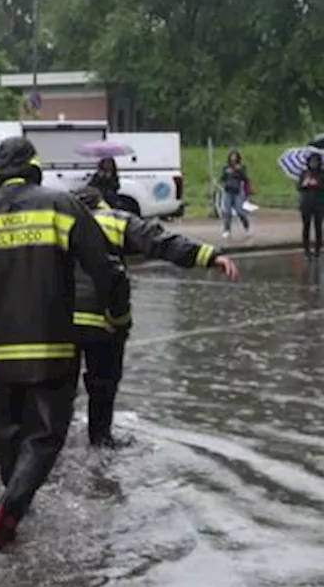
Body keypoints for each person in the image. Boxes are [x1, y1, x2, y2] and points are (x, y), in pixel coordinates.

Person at [0, 137, 129, 551]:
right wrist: (117, 318)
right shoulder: (63, 206)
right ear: (36, 167)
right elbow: (106, 269)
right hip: (53, 346)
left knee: (8, 430)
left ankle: (14, 502)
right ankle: (11, 511)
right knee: (45, 435)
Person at [70, 185, 240, 449]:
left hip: (58, 322)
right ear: (101, 203)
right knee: (103, 383)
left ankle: (53, 442)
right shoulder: (113, 220)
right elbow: (158, 241)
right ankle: (100, 440)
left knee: (58, 387)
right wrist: (207, 256)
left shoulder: (57, 225)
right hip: (103, 319)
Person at [219, 149, 253, 239]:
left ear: (238, 158)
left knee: (240, 211)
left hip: (238, 191)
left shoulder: (242, 167)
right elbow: (222, 178)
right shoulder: (226, 168)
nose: (233, 158)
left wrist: (238, 171)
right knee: (227, 211)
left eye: (235, 156)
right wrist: (225, 173)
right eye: (231, 156)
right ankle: (227, 230)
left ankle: (247, 226)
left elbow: (245, 178)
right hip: (228, 191)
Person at [298, 153, 324, 257]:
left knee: (318, 227)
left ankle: (317, 249)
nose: (313, 164)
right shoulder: (304, 173)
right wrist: (304, 184)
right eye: (311, 161)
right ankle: (306, 249)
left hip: (319, 204)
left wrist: (317, 184)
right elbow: (299, 187)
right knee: (306, 227)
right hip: (306, 204)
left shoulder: (322, 174)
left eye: (316, 162)